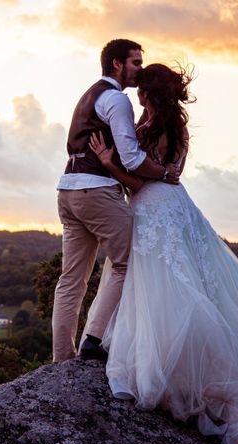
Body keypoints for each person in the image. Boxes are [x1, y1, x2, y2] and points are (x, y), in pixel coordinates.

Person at [88, 63, 238, 444]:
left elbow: (142, 181)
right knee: (195, 285)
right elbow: (173, 175)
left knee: (164, 291)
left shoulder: (152, 127)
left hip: (154, 211)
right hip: (180, 207)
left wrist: (107, 163)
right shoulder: (178, 128)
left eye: (141, 88)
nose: (136, 92)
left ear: (148, 93)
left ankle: (176, 376)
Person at [51, 39, 180, 363]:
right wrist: (164, 175)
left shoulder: (89, 95)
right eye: (135, 62)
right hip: (97, 190)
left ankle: (62, 359)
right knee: (128, 262)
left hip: (68, 189)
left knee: (71, 279)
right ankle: (93, 341)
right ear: (117, 64)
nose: (139, 69)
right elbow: (132, 157)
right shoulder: (117, 100)